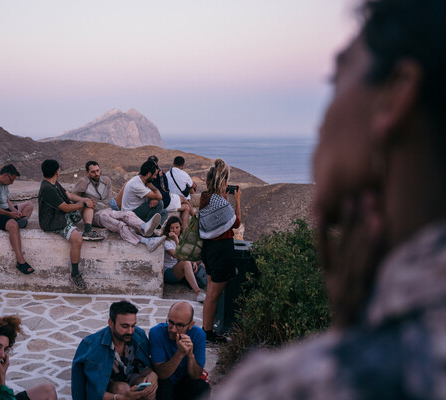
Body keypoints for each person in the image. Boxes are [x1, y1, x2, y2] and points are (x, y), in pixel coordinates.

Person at [215, 0, 446, 398]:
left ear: (395, 94)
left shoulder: (292, 387)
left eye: (335, 79)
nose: (321, 120)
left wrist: (347, 339)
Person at [71, 300, 158, 400]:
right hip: (107, 386)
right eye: (125, 326)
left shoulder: (138, 336)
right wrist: (119, 397)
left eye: (133, 325)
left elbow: (145, 367)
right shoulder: (92, 347)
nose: (130, 331)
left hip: (130, 377)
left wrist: (152, 375)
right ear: (111, 323)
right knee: (121, 388)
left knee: (147, 387)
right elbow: (94, 391)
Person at [38, 159, 103, 291]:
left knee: (87, 204)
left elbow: (68, 195)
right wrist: (84, 204)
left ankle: (88, 230)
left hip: (61, 214)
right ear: (57, 171)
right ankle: (74, 274)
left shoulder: (53, 183)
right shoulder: (47, 188)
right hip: (53, 220)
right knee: (77, 239)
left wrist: (84, 200)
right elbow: (66, 208)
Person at [72, 161, 166, 252]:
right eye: (93, 172)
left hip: (108, 209)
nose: (96, 173)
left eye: (98, 170)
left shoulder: (106, 180)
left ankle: (144, 226)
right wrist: (85, 201)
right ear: (87, 173)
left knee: (127, 214)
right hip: (95, 214)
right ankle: (145, 241)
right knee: (119, 225)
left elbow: (108, 200)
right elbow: (73, 197)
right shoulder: (83, 182)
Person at [198, 159, 241, 344]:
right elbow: (236, 223)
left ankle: (206, 330)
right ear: (222, 182)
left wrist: (226, 200)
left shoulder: (206, 197)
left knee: (210, 293)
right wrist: (237, 201)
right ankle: (207, 333)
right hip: (221, 250)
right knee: (214, 295)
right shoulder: (220, 203)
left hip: (208, 250)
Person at [149, 302, 210, 400]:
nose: (173, 330)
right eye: (171, 322)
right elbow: (161, 374)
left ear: (191, 325)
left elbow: (196, 375)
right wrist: (180, 354)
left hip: (185, 381)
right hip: (165, 380)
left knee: (202, 388)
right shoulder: (156, 333)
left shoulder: (199, 335)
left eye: (180, 325)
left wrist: (190, 355)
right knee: (162, 390)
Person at [0, 164, 35, 275]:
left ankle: (19, 221)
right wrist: (9, 214)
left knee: (28, 205)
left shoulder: (3, 184)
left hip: (3, 210)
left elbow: (7, 200)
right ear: (5, 175)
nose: (12, 183)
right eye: (11, 180)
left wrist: (14, 211)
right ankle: (20, 261)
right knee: (13, 225)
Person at [162, 216, 206, 303]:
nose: (175, 230)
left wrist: (192, 261)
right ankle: (198, 293)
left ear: (180, 228)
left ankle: (211, 280)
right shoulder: (167, 242)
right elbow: (180, 256)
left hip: (178, 266)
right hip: (169, 272)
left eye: (177, 227)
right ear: (168, 229)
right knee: (186, 262)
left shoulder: (179, 239)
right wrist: (175, 239)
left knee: (201, 254)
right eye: (172, 228)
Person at [147, 156, 193, 232]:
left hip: (159, 201)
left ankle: (195, 218)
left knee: (183, 201)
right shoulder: (160, 174)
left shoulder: (167, 173)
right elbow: (165, 191)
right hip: (163, 202)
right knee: (185, 205)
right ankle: (185, 231)